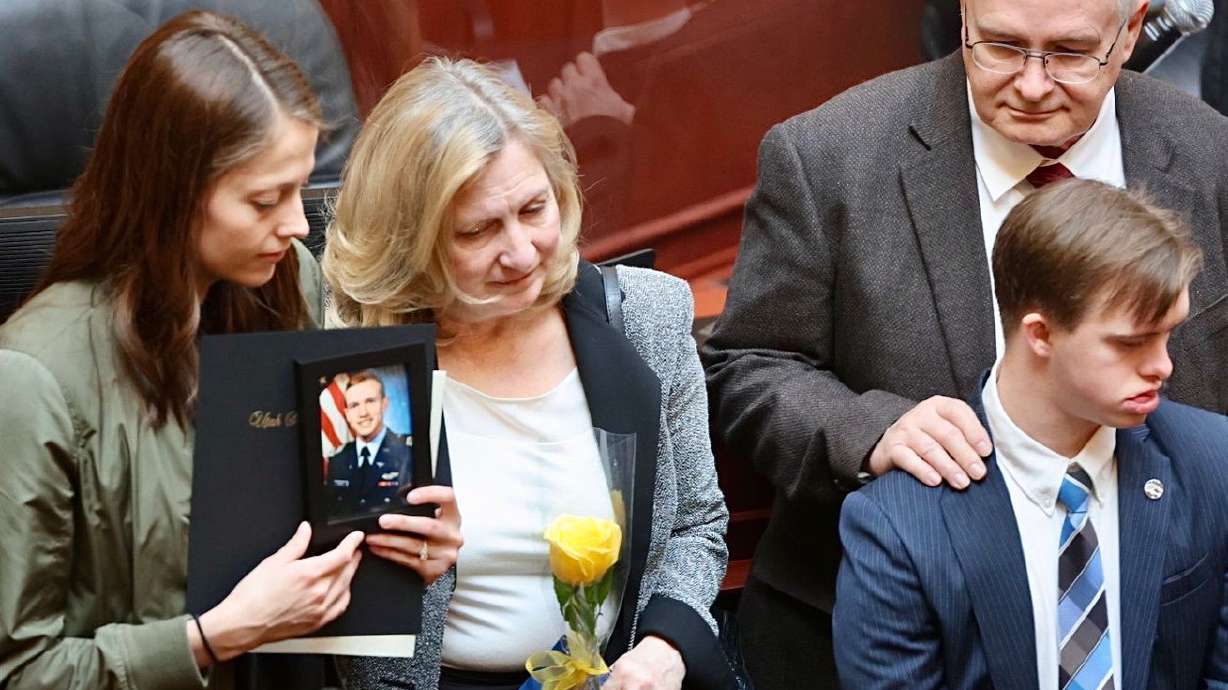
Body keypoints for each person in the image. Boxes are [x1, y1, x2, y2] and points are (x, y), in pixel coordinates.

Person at [700, 0, 1228, 685]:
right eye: (1002, 46)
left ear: (1130, 32)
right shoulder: (829, 156)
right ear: (962, 20)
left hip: (1162, 635)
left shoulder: (1208, 151)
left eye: (1069, 53)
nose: (1033, 84)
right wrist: (869, 431)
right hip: (871, 640)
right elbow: (748, 364)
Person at [0, 12, 458, 689]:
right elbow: (21, 670)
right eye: (265, 200)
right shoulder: (31, 378)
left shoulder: (286, 279)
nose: (299, 224)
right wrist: (218, 635)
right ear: (173, 197)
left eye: (301, 188)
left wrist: (409, 540)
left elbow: (314, 511)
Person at [323, 57, 735, 690]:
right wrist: (397, 573)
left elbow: (695, 525)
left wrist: (664, 645)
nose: (520, 253)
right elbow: (323, 597)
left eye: (534, 209)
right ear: (413, 239)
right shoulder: (360, 367)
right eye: (478, 230)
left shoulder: (645, 320)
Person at [834, 178, 1228, 688]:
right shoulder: (898, 521)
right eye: (1133, 343)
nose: (1163, 366)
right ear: (1040, 333)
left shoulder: (1213, 462)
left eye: (1168, 334)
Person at [328, 370, 413, 518]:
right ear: (347, 413)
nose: (363, 413)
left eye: (370, 401)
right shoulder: (338, 460)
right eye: (354, 405)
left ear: (384, 404)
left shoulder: (408, 452)